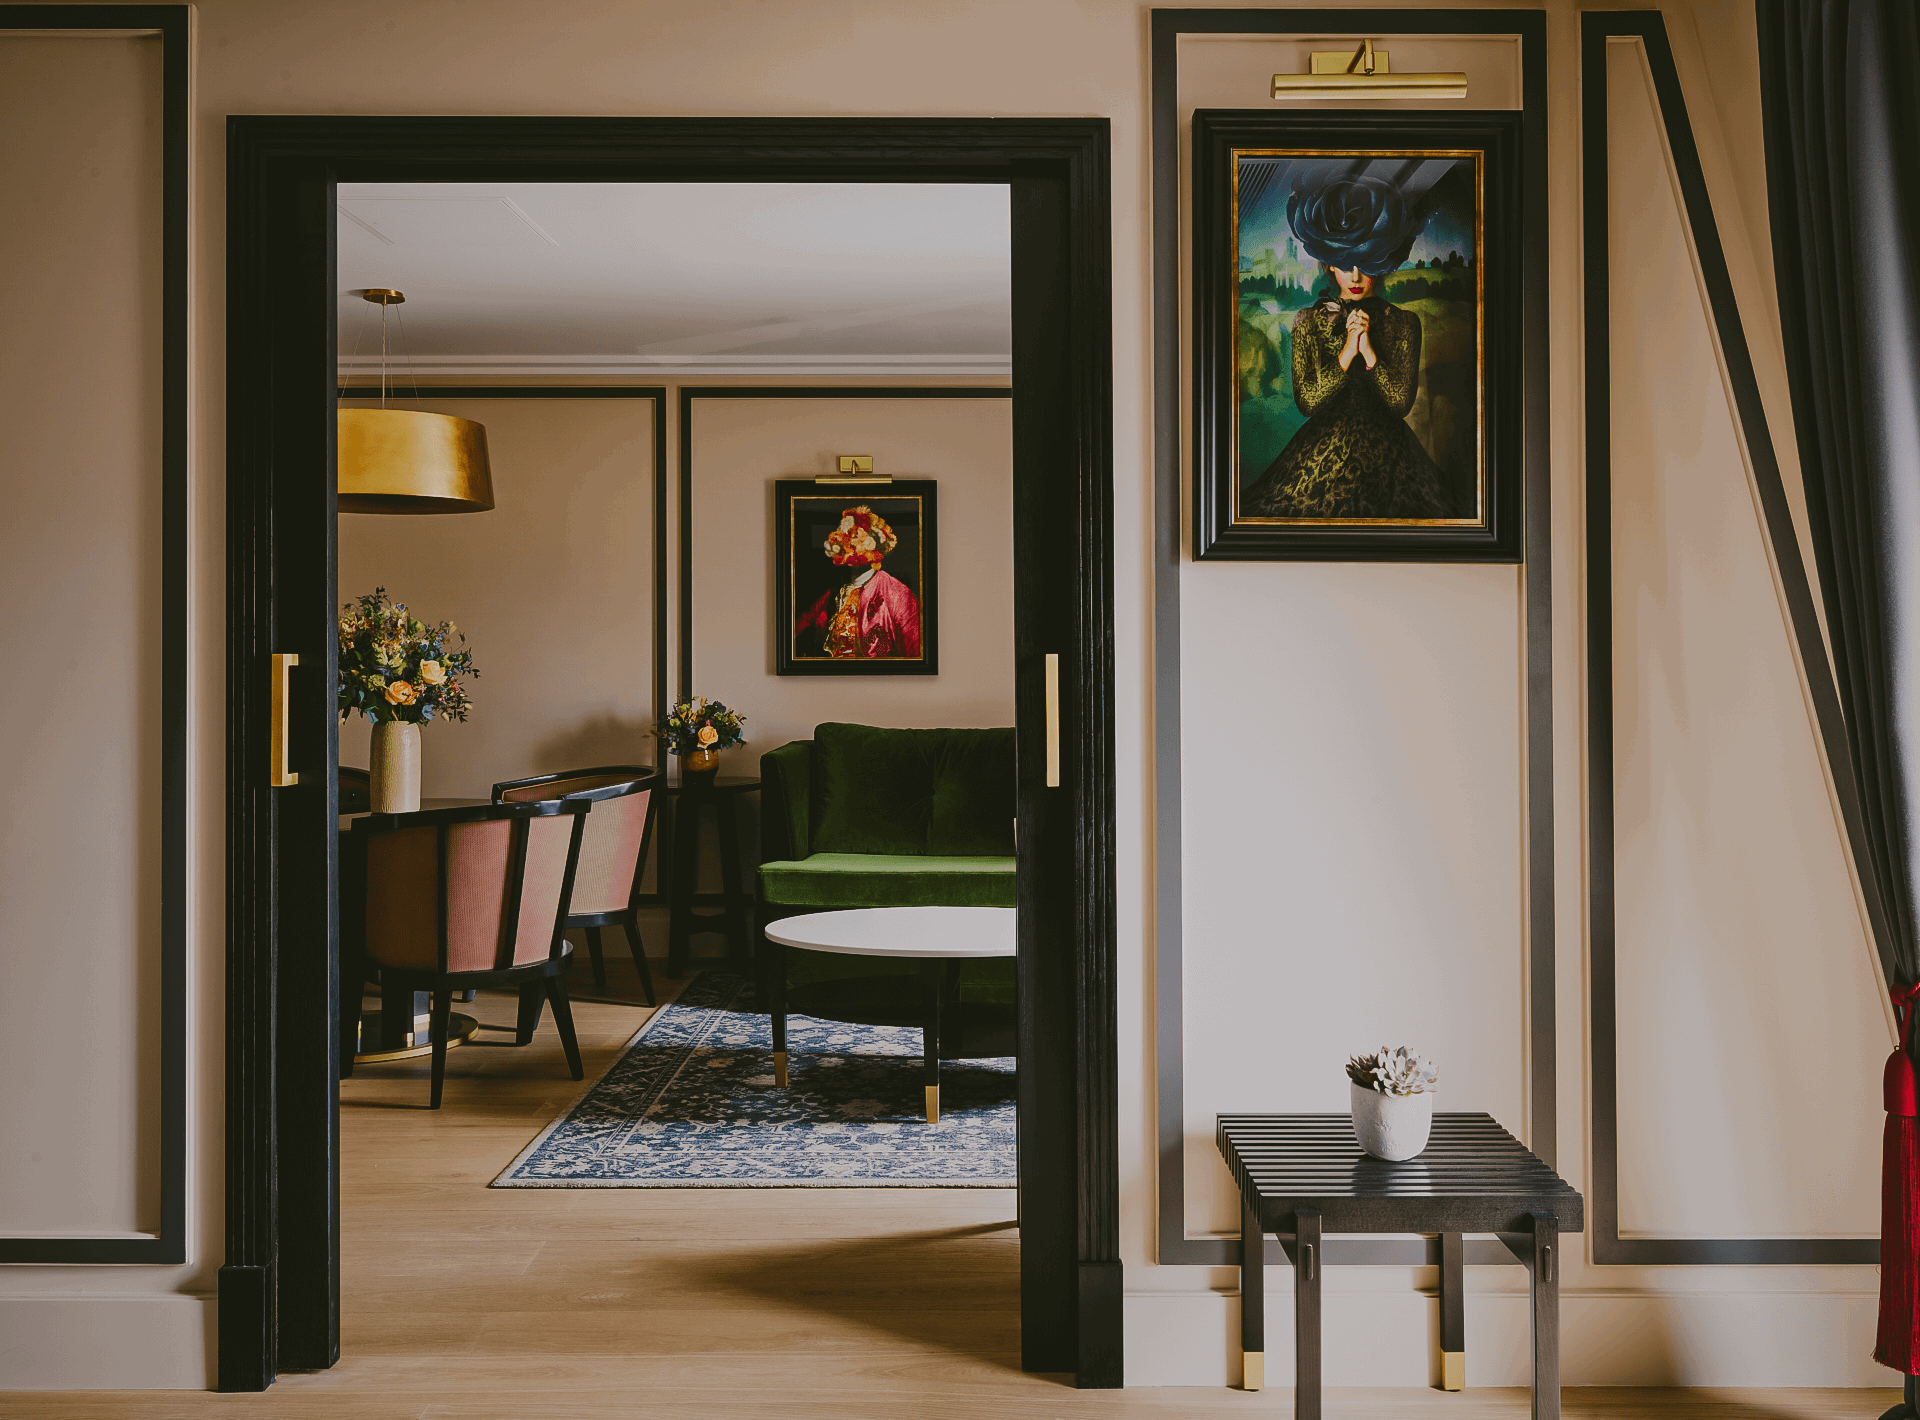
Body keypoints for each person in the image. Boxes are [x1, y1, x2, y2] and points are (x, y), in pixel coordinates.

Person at [1241, 173, 1452, 521]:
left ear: (1383, 263)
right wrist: (1346, 353)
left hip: (1392, 456)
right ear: (1327, 263)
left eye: (1365, 264)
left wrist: (1369, 353)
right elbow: (1307, 401)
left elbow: (1400, 403)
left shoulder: (1403, 323)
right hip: (1320, 452)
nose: (1354, 276)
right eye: (1343, 264)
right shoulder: (1307, 322)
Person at [795, 505, 922, 659]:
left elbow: (914, 650)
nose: (851, 547)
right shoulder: (835, 592)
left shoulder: (897, 593)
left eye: (856, 540)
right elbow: (804, 623)